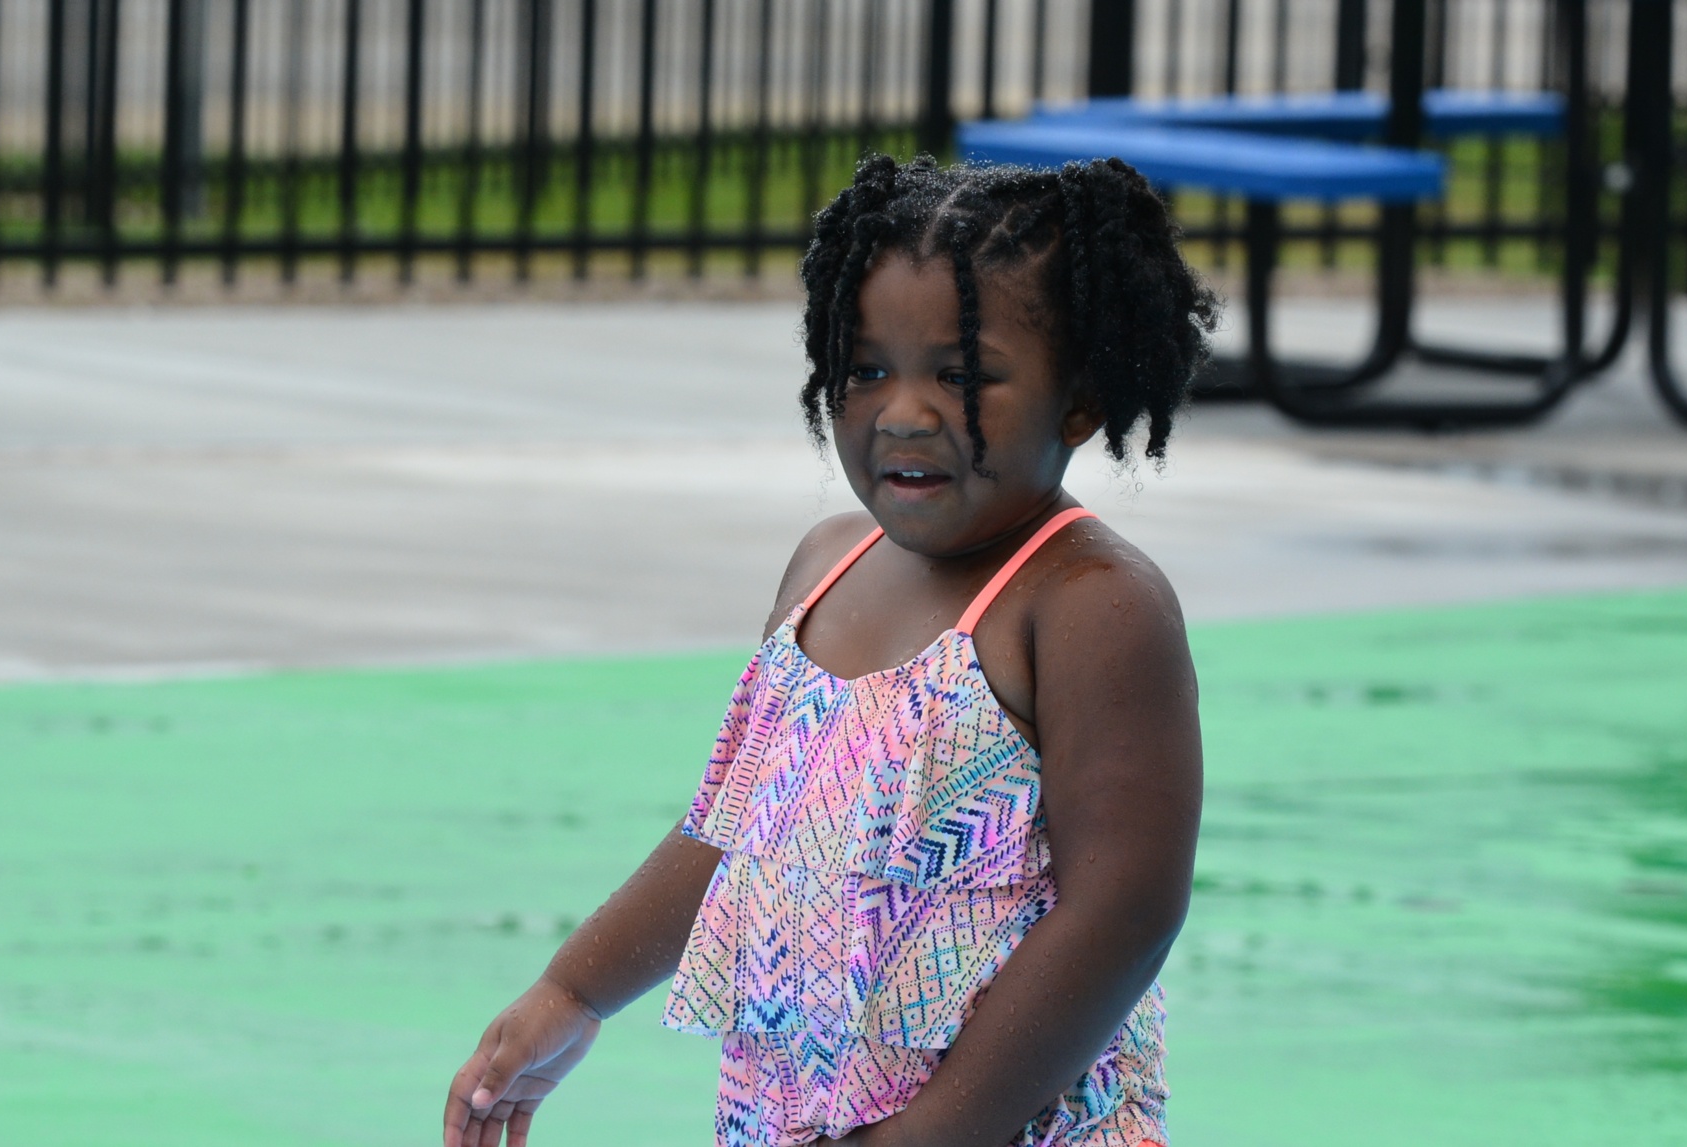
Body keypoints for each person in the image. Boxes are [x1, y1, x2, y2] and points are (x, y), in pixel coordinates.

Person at [443, 154, 1212, 1147]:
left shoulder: (1087, 604)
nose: (902, 410)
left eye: (961, 373)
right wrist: (573, 988)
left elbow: (1124, 912)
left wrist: (931, 1131)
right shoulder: (822, 569)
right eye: (866, 370)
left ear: (1079, 399)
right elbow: (732, 830)